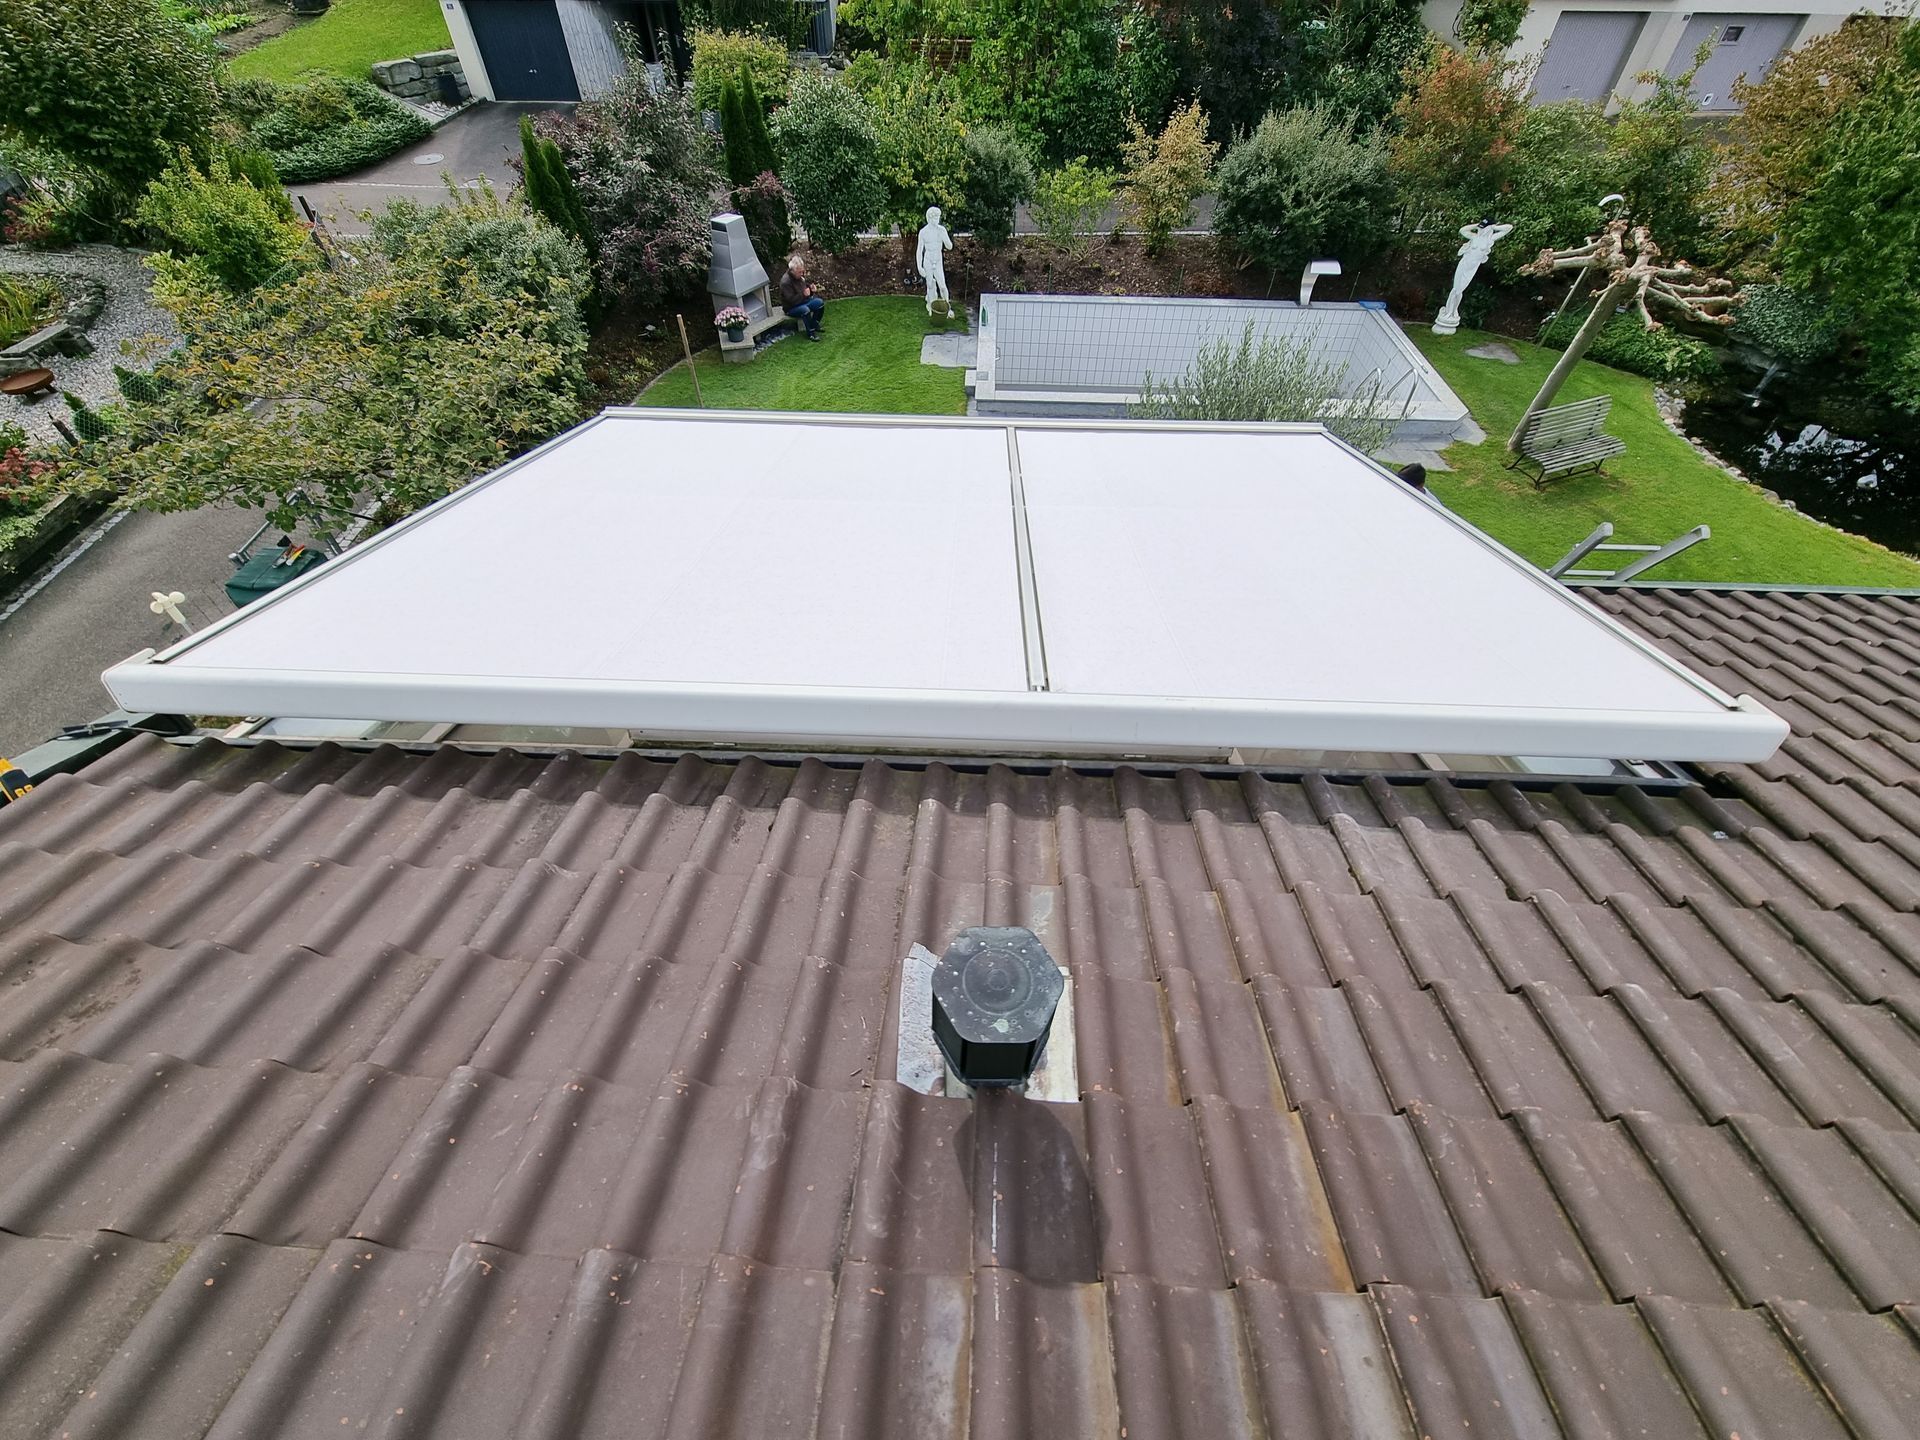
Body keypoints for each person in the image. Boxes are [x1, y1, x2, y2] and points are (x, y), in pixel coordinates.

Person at [779, 254, 825, 341]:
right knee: (805, 310)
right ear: (793, 271)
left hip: (803, 302)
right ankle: (811, 333)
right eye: (799, 272)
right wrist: (804, 295)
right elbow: (791, 301)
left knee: (819, 303)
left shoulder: (799, 277)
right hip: (791, 308)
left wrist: (811, 290)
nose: (802, 274)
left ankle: (815, 324)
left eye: (802, 271)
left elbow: (805, 290)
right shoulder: (785, 282)